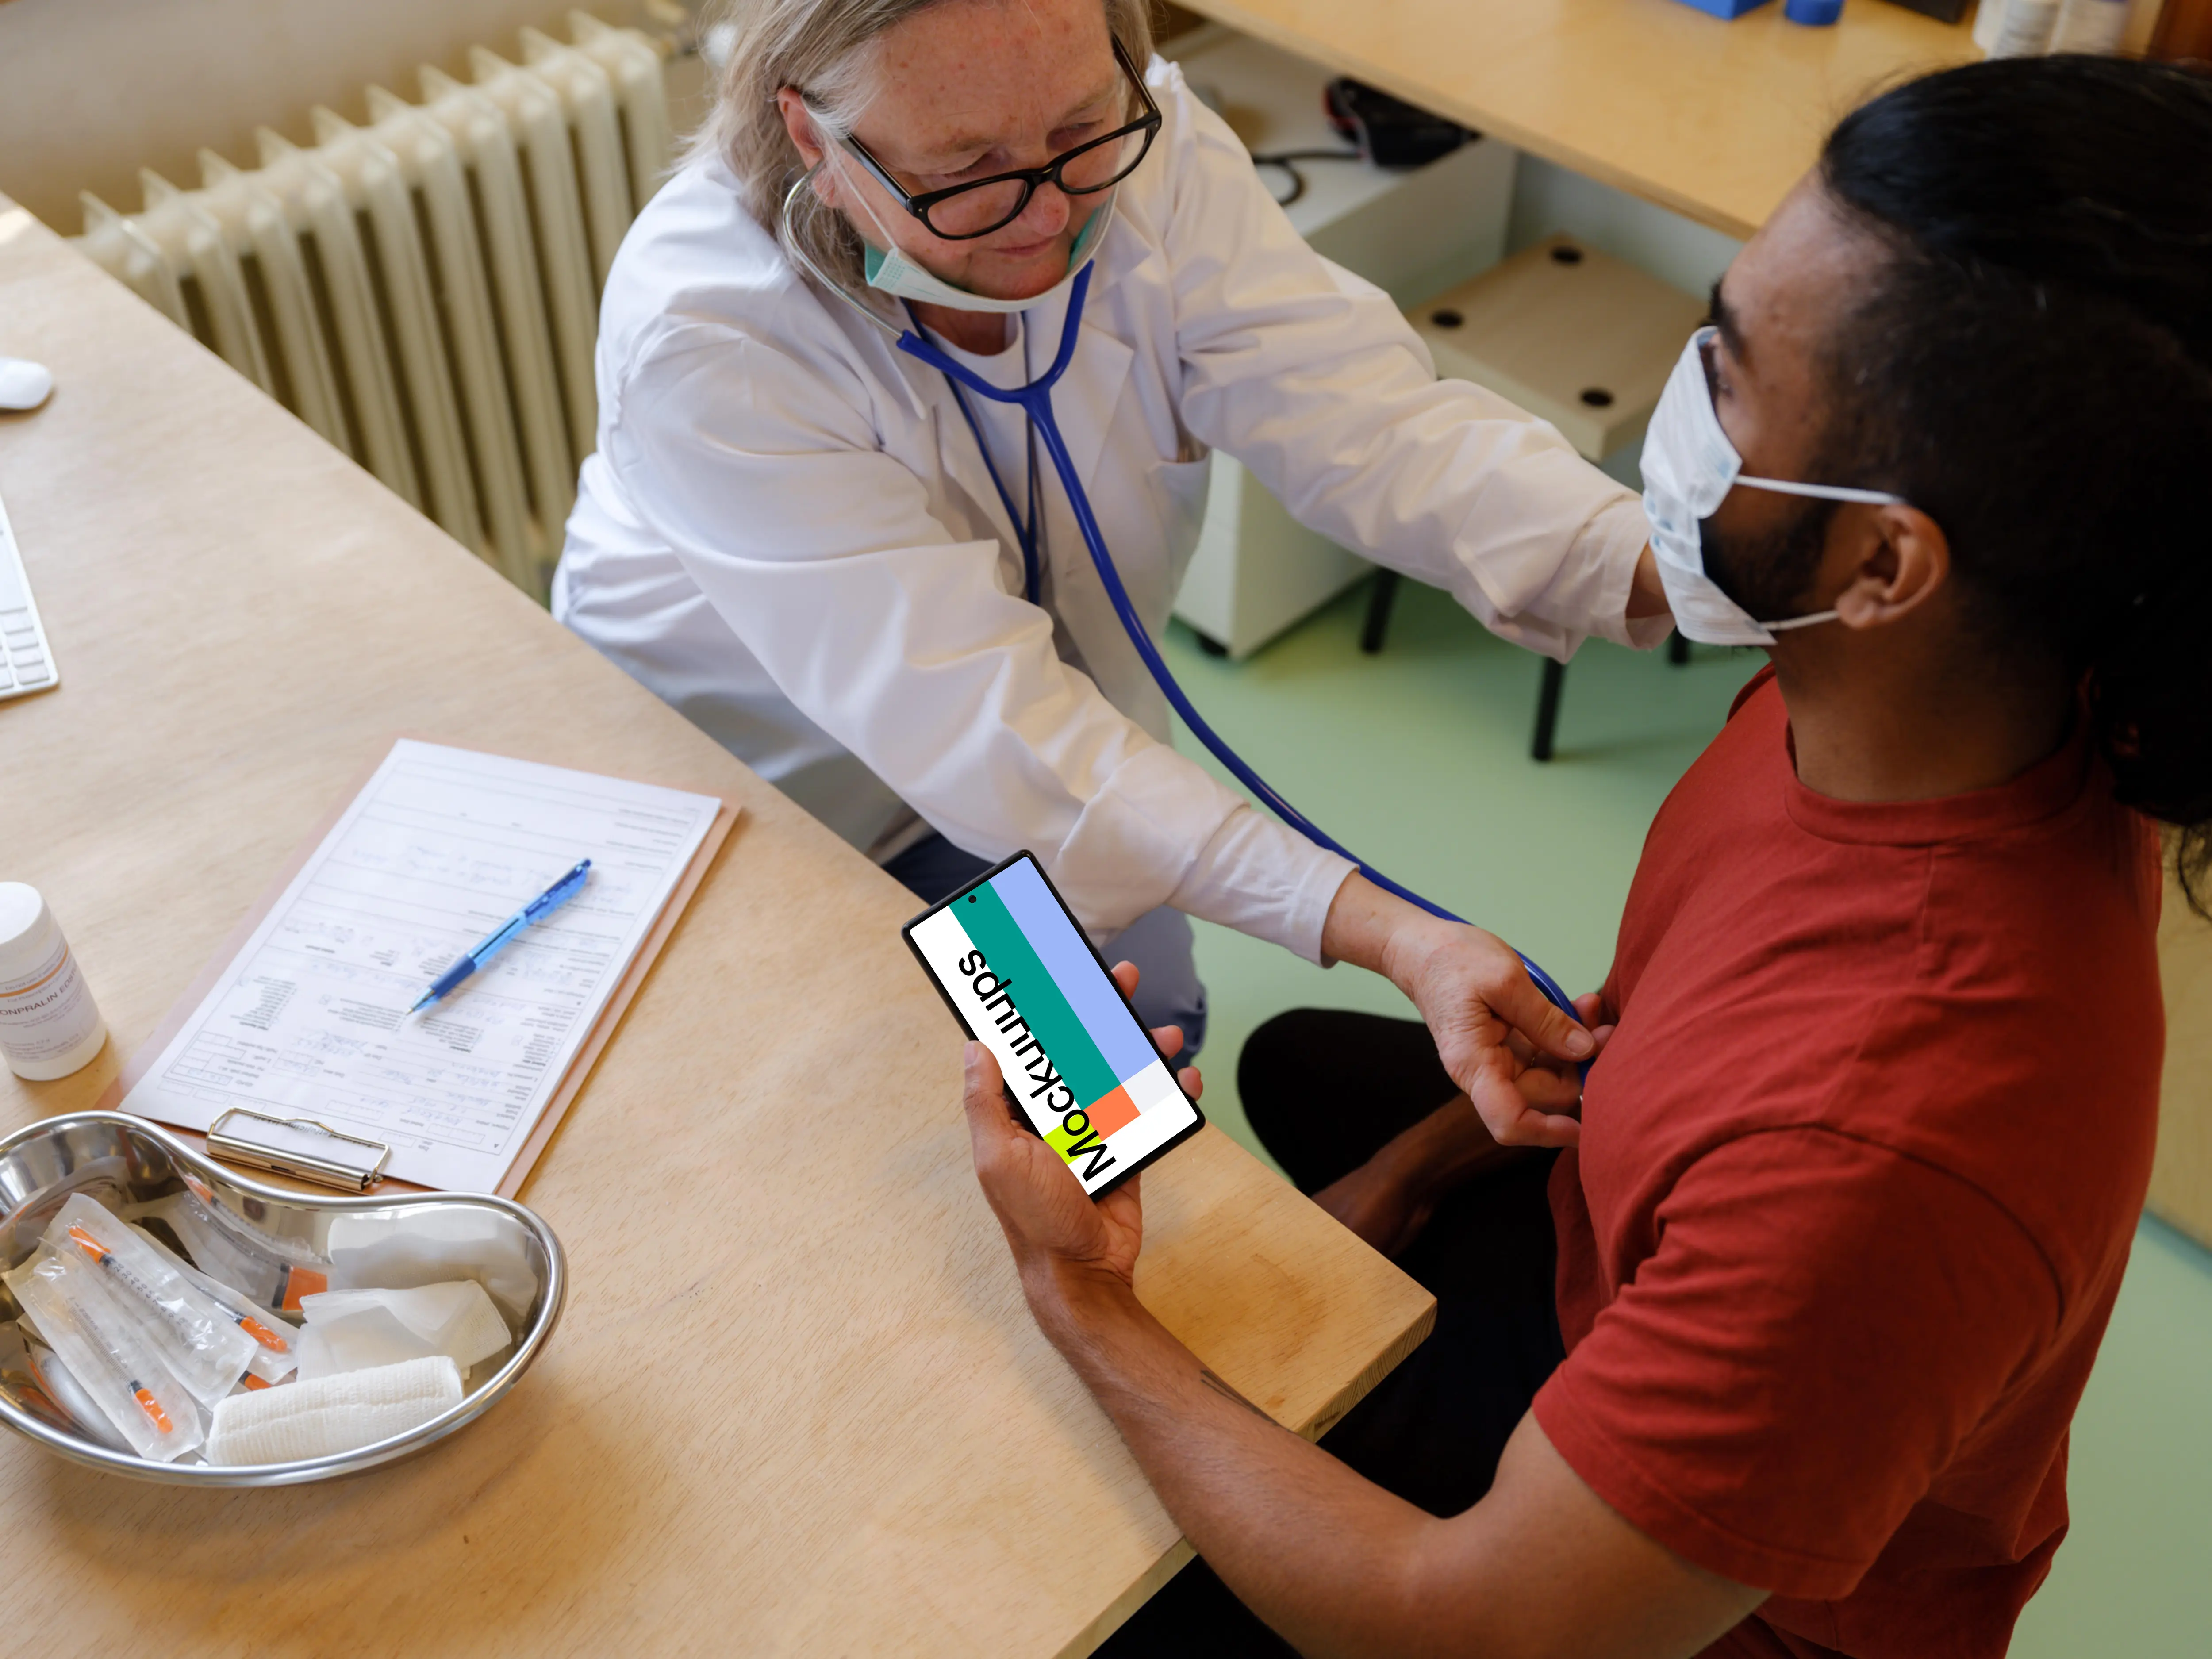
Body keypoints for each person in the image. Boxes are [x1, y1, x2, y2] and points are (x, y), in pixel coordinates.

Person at [962, 54, 2212, 1659]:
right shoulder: (1892, 693)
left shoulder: (1884, 1159)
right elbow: (1675, 1028)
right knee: (1313, 1079)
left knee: (1075, 1587)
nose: (1682, 388)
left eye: (1733, 370)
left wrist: (1078, 1304)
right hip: (1615, 1267)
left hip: (1671, 1620)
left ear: (1887, 559)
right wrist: (1399, 1187)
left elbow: (1462, 1626)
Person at [553, 0, 1668, 1084]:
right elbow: (983, 722)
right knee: (870, 1118)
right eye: (967, 169)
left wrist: (1667, 564)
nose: (1048, 212)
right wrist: (1391, 932)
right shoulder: (710, 337)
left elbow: (1371, 426)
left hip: (1031, 745)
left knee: (1131, 1068)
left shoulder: (1156, 151)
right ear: (816, 139)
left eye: (1081, 132)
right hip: (767, 783)